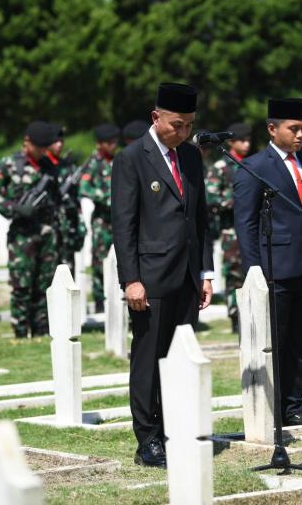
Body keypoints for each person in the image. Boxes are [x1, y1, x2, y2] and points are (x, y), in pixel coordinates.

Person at [111, 83, 214, 468]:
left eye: (189, 125)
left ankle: (175, 429)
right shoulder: (132, 158)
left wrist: (205, 271)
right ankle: (148, 439)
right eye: (176, 124)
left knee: (179, 358)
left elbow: (200, 218)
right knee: (148, 359)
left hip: (186, 276)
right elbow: (123, 225)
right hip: (150, 278)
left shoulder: (190, 156)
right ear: (156, 117)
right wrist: (130, 279)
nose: (183, 132)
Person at [233, 98, 302, 426]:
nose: (300, 135)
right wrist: (253, 270)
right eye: (294, 129)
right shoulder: (254, 167)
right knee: (276, 340)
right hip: (274, 268)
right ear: (273, 129)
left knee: (300, 342)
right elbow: (245, 223)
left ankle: (293, 405)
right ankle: (272, 406)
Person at [0, 121, 60, 337]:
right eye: (39, 147)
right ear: (27, 142)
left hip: (46, 234)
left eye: (45, 147)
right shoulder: (8, 164)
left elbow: (57, 199)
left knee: (44, 285)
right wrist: (14, 208)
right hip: (22, 236)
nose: (43, 151)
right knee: (22, 286)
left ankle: (41, 330)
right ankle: (20, 330)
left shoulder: (49, 167)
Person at [205, 122, 251, 333]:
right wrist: (235, 201)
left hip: (252, 227)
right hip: (230, 230)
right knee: (234, 274)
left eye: (249, 139)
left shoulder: (252, 164)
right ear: (232, 142)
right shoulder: (221, 167)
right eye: (242, 140)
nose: (247, 144)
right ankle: (235, 315)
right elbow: (211, 195)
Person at [79, 123, 119, 313]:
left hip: (121, 220)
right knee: (100, 262)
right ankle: (100, 301)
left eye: (114, 141)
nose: (113, 145)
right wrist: (106, 197)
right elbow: (84, 188)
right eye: (109, 142)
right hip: (102, 221)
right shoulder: (93, 163)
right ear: (99, 144)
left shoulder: (119, 160)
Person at [44, 128, 87, 273]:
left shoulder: (67, 167)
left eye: (61, 141)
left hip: (66, 227)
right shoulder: (41, 166)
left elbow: (76, 199)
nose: (59, 144)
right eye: (55, 141)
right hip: (48, 226)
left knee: (68, 273)